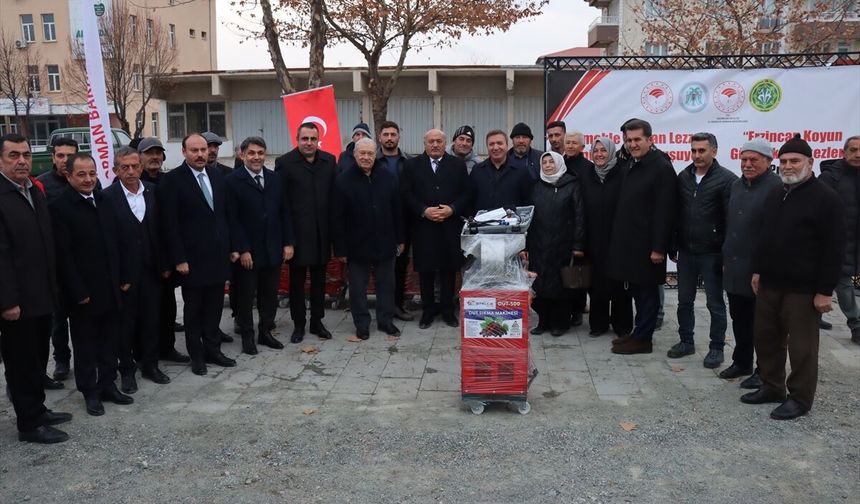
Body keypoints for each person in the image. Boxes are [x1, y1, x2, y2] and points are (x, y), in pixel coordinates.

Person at [741, 134, 844, 420]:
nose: (788, 166)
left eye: (794, 161)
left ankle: (800, 398)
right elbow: (765, 236)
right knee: (766, 339)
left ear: (810, 162)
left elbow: (834, 249)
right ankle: (772, 386)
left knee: (802, 347)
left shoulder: (826, 199)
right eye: (784, 161)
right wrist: (758, 270)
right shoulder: (776, 193)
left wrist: (825, 291)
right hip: (770, 283)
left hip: (803, 289)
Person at [49, 153, 134, 416]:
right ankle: (90, 391)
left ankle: (108, 384)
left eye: (92, 173)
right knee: (85, 345)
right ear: (68, 176)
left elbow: (120, 241)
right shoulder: (60, 207)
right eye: (81, 174)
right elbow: (63, 256)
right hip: (83, 293)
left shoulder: (105, 200)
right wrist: (78, 291)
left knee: (110, 341)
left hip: (111, 287)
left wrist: (125, 277)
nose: (88, 179)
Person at [0, 133, 72, 444]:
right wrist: (7, 300)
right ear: (0, 160)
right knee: (20, 362)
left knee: (38, 358)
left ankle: (38, 409)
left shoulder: (33, 190)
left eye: (26, 155)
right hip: (17, 301)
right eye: (13, 155)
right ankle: (29, 424)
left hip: (42, 294)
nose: (22, 161)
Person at [159, 133, 236, 376]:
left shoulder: (217, 176)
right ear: (184, 152)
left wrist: (232, 247)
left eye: (203, 149)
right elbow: (170, 225)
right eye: (195, 150)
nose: (201, 154)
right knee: (194, 311)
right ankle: (197, 356)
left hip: (218, 256)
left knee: (214, 308)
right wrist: (179, 258)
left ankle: (213, 349)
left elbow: (225, 215)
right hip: (191, 260)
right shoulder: (172, 180)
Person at [103, 147, 172, 394]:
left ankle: (150, 365)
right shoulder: (107, 197)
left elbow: (163, 230)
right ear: (115, 170)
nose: (131, 171)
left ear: (141, 168)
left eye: (134, 166)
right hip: (126, 276)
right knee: (126, 325)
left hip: (152, 271)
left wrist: (165, 265)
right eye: (125, 167)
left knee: (152, 320)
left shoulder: (153, 192)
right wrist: (119, 276)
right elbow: (109, 242)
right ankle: (127, 370)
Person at [668, 133, 737, 368]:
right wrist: (673, 243)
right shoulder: (683, 177)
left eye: (702, 150)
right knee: (684, 301)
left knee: (715, 303)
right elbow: (676, 213)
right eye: (693, 150)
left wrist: (726, 254)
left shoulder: (727, 180)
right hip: (686, 251)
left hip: (712, 252)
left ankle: (716, 348)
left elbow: (730, 221)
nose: (697, 155)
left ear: (714, 151)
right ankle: (686, 341)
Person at [608, 119, 677, 355]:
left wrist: (659, 247)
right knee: (637, 290)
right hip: (632, 243)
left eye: (637, 139)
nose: (633, 144)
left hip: (648, 245)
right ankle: (638, 333)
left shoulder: (661, 167)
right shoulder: (633, 163)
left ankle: (644, 339)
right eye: (629, 140)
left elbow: (665, 211)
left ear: (650, 139)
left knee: (647, 293)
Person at [720, 139, 781, 388]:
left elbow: (775, 234)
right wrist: (726, 258)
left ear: (768, 161)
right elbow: (731, 225)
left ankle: (764, 370)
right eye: (744, 159)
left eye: (753, 160)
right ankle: (742, 361)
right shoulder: (736, 185)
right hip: (735, 265)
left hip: (760, 269)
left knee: (763, 324)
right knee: (740, 318)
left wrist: (762, 268)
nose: (747, 164)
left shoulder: (777, 188)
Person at [226, 137, 294, 355]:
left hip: (273, 248)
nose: (256, 157)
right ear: (243, 155)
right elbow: (232, 219)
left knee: (269, 294)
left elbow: (284, 212)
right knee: (246, 296)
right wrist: (243, 249)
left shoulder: (275, 179)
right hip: (249, 252)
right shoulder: (232, 181)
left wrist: (288, 242)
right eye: (252, 153)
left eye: (260, 153)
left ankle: (265, 331)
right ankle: (247, 335)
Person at [333, 138, 404, 340]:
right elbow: (337, 218)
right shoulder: (343, 180)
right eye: (362, 153)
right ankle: (362, 324)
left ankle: (385, 321)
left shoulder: (388, 177)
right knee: (357, 288)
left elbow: (397, 210)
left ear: (376, 155)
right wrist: (340, 248)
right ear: (355, 155)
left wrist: (400, 238)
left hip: (385, 242)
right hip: (356, 245)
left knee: (386, 285)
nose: (366, 157)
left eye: (370, 153)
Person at [402, 129, 470, 329]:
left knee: (449, 270)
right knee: (426, 271)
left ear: (445, 143)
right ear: (424, 143)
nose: (435, 145)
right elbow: (406, 193)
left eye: (439, 141)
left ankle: (448, 311)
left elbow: (467, 193)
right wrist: (423, 211)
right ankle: (428, 311)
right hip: (424, 227)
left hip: (450, 226)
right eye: (431, 141)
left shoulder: (457, 165)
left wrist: (452, 209)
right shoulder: (411, 165)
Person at [275, 122, 337, 343]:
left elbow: (334, 198)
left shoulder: (329, 161)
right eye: (305, 139)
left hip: (322, 235)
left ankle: (317, 322)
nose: (309, 143)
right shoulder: (285, 163)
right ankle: (299, 325)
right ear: (297, 139)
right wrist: (287, 240)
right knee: (297, 284)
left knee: (320, 282)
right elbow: (280, 204)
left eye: (313, 139)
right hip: (298, 237)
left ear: (318, 140)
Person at [137, 137, 190, 364]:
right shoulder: (133, 182)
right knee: (145, 311)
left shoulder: (169, 181)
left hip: (166, 257)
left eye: (158, 153)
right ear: (140, 156)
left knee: (167, 306)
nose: (155, 157)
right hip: (142, 259)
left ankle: (167, 348)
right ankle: (143, 353)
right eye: (149, 153)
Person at [525, 151, 585, 336]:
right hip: (539, 244)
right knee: (539, 284)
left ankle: (560, 323)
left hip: (562, 245)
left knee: (560, 286)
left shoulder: (571, 184)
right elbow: (529, 216)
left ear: (559, 163)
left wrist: (578, 245)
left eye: (552, 162)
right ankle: (542, 322)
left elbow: (579, 216)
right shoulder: (536, 186)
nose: (548, 165)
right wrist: (526, 245)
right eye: (544, 162)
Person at [35, 137, 78, 386]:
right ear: (53, 157)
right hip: (54, 265)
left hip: (81, 262)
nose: (65, 160)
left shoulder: (85, 181)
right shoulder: (41, 185)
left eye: (69, 155)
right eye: (60, 155)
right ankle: (61, 360)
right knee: (58, 320)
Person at [580, 137, 632, 338]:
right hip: (594, 240)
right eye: (596, 150)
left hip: (618, 240)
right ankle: (598, 324)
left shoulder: (623, 173)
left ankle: (622, 326)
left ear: (611, 152)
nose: (599, 154)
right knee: (597, 285)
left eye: (603, 150)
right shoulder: (587, 175)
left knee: (619, 285)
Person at [819, 135, 860, 345]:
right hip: (834, 243)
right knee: (844, 284)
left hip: (856, 244)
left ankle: (815, 315)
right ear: (844, 152)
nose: (858, 154)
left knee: (849, 281)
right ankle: (856, 324)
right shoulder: (830, 177)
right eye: (853, 150)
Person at [377, 121, 414, 322]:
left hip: (403, 222)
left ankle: (397, 305)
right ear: (380, 137)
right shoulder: (372, 160)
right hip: (378, 221)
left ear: (399, 136)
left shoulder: (408, 161)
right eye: (386, 134)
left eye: (393, 134)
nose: (389, 138)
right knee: (379, 268)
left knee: (400, 266)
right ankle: (383, 307)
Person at [561, 130, 593, 327]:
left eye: (574, 143)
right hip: (561, 226)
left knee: (579, 273)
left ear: (582, 146)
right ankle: (565, 310)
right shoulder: (559, 164)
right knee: (563, 272)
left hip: (581, 225)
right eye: (568, 142)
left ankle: (579, 309)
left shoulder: (588, 168)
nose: (570, 146)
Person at [469, 130, 532, 214]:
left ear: (507, 145)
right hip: (483, 222)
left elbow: (527, 202)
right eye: (491, 144)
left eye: (500, 143)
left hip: (512, 221)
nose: (495, 148)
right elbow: (470, 200)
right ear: (487, 147)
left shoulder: (521, 171)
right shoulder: (477, 170)